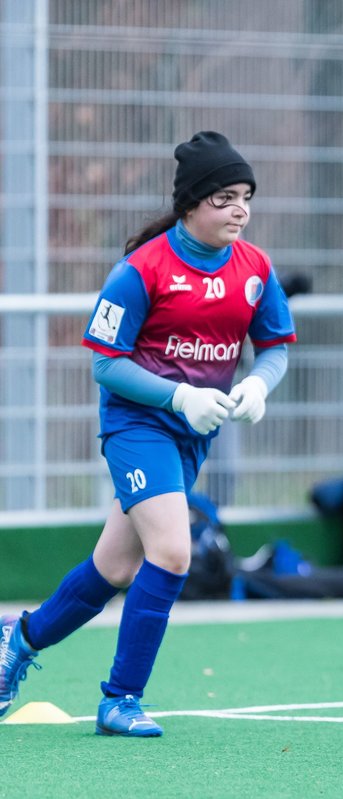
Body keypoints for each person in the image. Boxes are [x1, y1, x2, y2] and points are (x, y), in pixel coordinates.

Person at [0, 131, 295, 735]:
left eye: (245, 197)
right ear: (190, 203)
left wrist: (259, 385)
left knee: (112, 568)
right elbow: (105, 364)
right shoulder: (141, 270)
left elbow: (274, 349)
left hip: (192, 437)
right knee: (173, 551)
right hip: (138, 427)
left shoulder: (255, 269)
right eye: (224, 198)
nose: (239, 209)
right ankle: (120, 700)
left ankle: (17, 639)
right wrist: (181, 395)